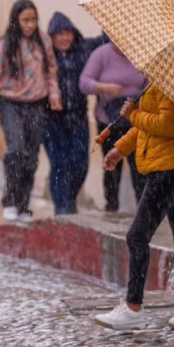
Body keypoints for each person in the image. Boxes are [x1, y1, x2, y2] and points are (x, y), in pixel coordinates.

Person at [94, 86, 174, 331]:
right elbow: (147, 129)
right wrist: (121, 149)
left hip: (169, 172)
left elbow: (167, 125)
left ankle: (133, 308)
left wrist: (133, 115)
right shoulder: (158, 82)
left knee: (137, 237)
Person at [0, 0, 61, 223]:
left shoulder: (43, 41)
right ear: (16, 20)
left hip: (37, 104)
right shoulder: (3, 46)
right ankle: (10, 200)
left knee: (31, 156)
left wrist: (54, 96)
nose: (30, 25)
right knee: (15, 149)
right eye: (25, 20)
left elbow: (51, 71)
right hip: (10, 104)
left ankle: (24, 204)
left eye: (33, 20)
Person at [42, 12, 109, 215]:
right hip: (51, 120)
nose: (64, 38)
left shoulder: (84, 49)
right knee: (59, 164)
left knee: (81, 164)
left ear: (73, 33)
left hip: (79, 118)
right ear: (52, 37)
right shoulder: (44, 56)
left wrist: (109, 21)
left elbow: (104, 40)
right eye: (58, 34)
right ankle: (62, 208)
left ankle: (68, 199)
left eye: (67, 33)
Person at [80, 40, 148, 211]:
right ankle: (112, 207)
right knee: (112, 165)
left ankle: (145, 209)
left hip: (135, 117)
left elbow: (149, 83)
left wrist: (142, 96)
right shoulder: (101, 55)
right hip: (109, 119)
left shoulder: (142, 55)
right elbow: (84, 83)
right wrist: (104, 87)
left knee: (139, 164)